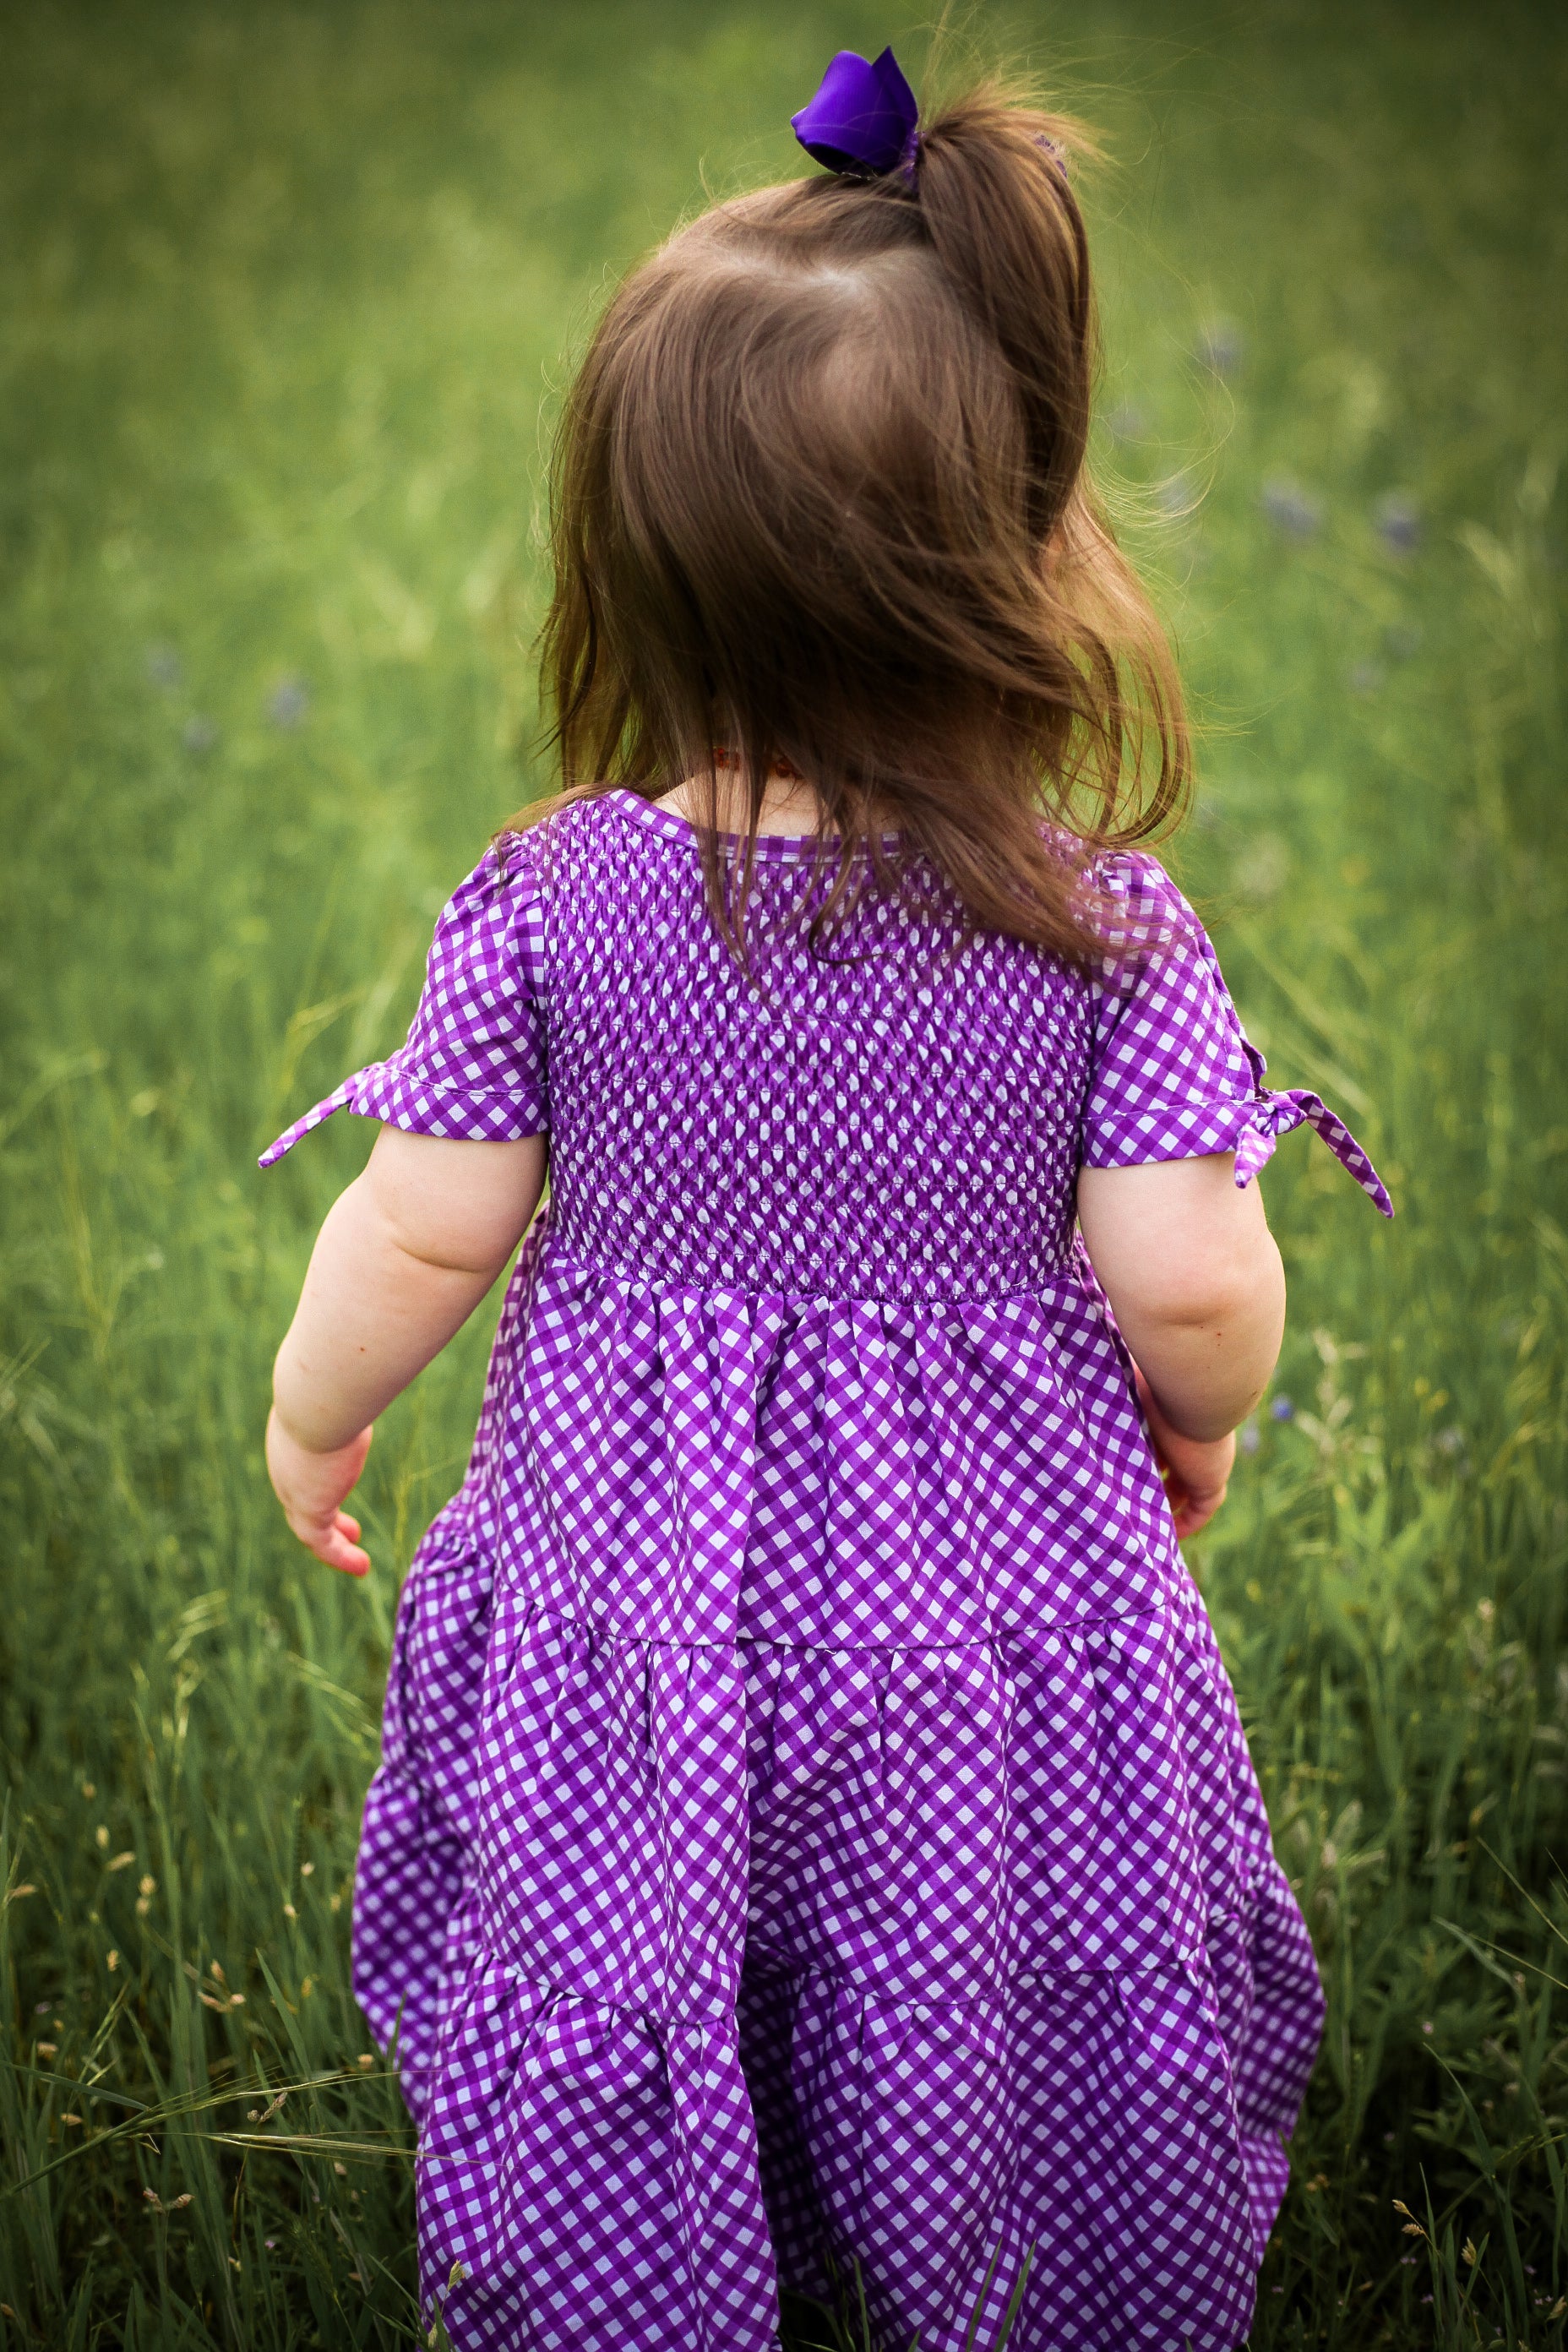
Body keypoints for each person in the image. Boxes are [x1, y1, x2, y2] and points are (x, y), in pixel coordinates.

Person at [261, 47, 1391, 2352]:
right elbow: (1189, 1281)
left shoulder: (555, 903)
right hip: (992, 1630)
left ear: (636, 563)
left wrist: (314, 1419)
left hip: (636, 1611)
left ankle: (641, 2270)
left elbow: (419, 1228)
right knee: (979, 1963)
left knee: (641, 1947)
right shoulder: (1105, 933)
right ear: (1026, 540)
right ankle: (1021, 2265)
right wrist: (1212, 1422)